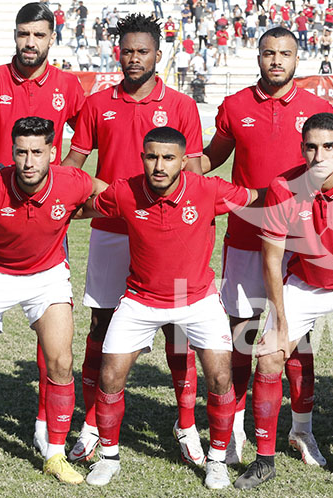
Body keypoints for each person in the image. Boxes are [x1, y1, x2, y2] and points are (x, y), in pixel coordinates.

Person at [78, 127, 260, 489]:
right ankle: (108, 457)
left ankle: (217, 461)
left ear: (183, 161)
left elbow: (257, 197)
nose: (159, 166)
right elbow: (81, 209)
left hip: (198, 300)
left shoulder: (207, 189)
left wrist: (307, 187)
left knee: (220, 377)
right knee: (110, 376)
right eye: (151, 157)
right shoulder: (125, 191)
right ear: (143, 157)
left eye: (168, 158)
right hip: (140, 300)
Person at [61, 13, 205, 466]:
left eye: (143, 51)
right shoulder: (97, 103)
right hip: (111, 232)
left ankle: (186, 425)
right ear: (117, 53)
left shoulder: (181, 105)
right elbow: (73, 165)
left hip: (167, 234)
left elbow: (195, 172)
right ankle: (91, 425)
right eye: (127, 51)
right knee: (102, 327)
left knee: (178, 330)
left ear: (158, 55)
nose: (134, 58)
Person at [0, 116, 104, 487]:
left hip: (47, 277)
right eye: (21, 152)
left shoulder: (72, 181)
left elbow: (108, 194)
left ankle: (55, 454)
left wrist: (86, 210)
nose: (29, 161)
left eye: (37, 152)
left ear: (52, 153)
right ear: (12, 152)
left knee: (61, 362)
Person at [233, 112, 333, 493]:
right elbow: (272, 259)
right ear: (302, 148)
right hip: (305, 284)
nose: (319, 155)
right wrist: (278, 321)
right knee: (269, 356)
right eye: (311, 147)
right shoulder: (283, 186)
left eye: (328, 147)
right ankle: (265, 460)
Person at [201, 25, 333, 466]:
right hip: (245, 236)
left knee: (298, 337)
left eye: (284, 53)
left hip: (300, 240)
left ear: (297, 58)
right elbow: (212, 157)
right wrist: (178, 164)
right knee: (241, 334)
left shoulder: (317, 108)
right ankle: (235, 429)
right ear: (258, 57)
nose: (276, 60)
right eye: (268, 53)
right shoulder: (235, 105)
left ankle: (302, 430)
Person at [0, 1, 86, 461]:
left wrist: (60, 184)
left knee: (51, 332)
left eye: (38, 35)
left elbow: (84, 138)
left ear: (52, 37)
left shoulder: (69, 86)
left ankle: (43, 424)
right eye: (22, 34)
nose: (29, 42)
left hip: (47, 220)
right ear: (15, 35)